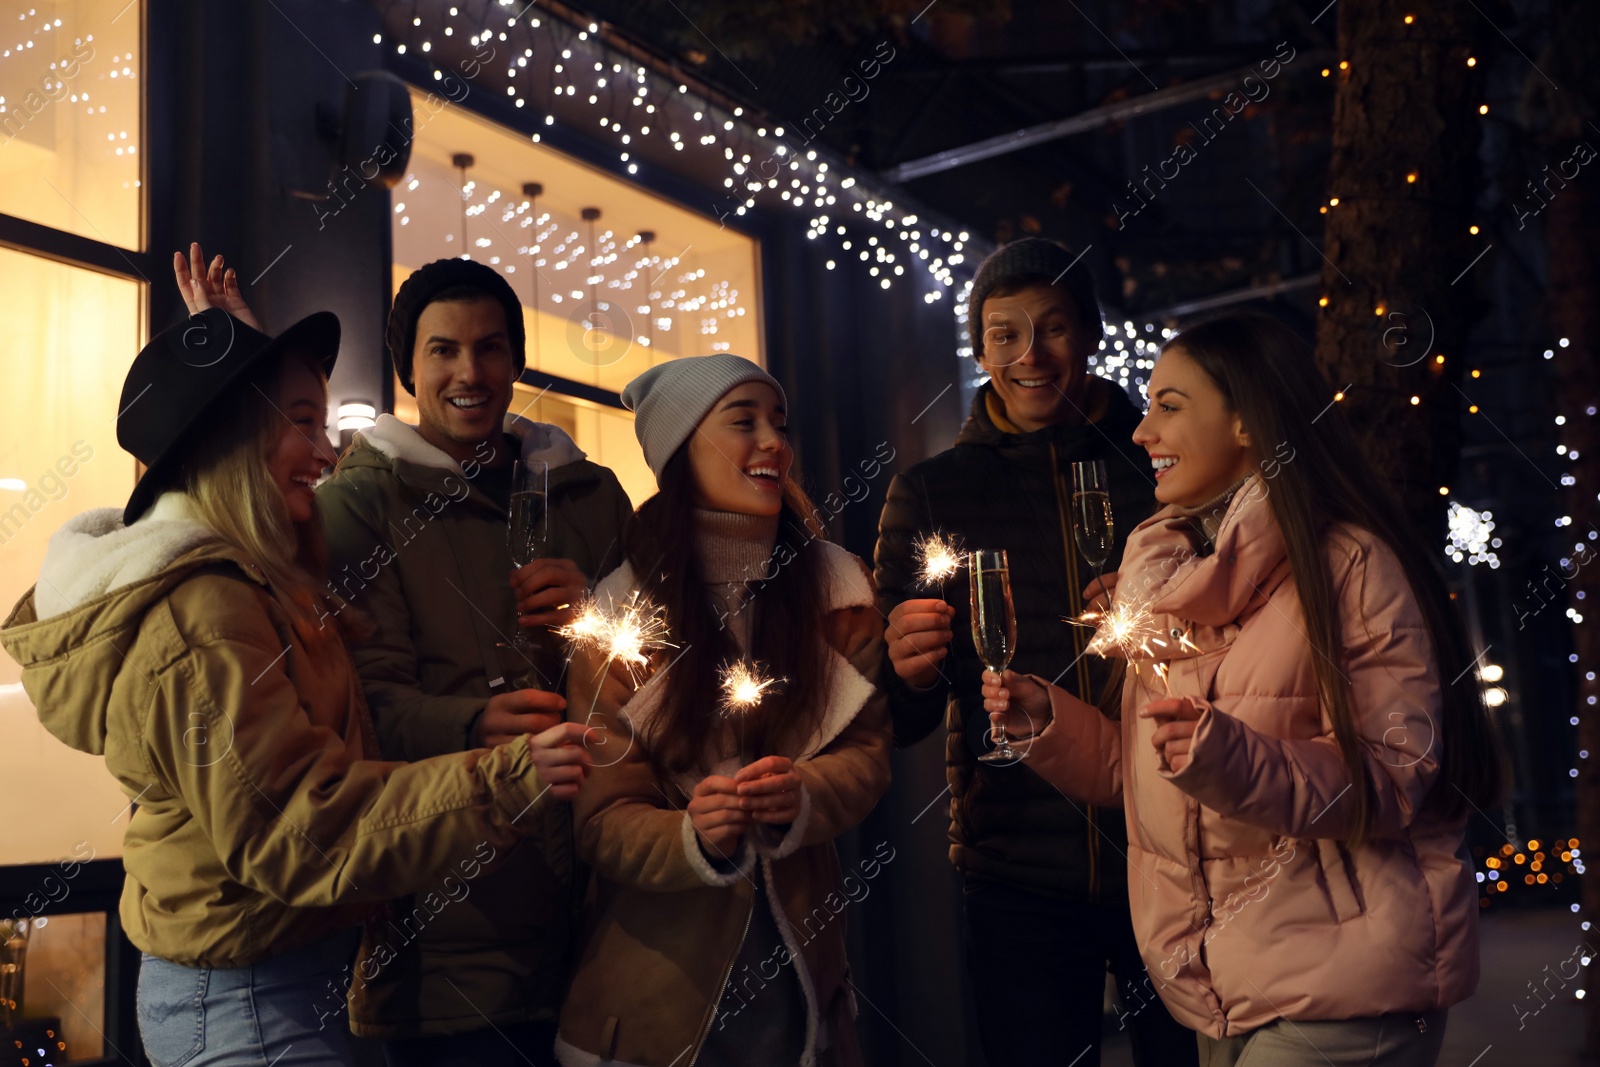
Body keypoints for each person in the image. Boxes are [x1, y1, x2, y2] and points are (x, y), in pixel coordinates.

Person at [0, 301, 592, 1067]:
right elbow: (298, 831)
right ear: (234, 435)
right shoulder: (204, 612)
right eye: (302, 422)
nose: (327, 447)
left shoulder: (249, 581)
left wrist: (246, 356)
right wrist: (509, 775)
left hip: (285, 979)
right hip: (251, 1004)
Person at [982, 312, 1504, 1067]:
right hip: (1224, 990)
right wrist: (1049, 723)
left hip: (1347, 986)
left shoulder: (1350, 564)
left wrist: (1227, 752)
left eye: (1169, 405)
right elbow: (1156, 767)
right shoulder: (1172, 575)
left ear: (1248, 422)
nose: (1140, 432)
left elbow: (1394, 777)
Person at [173, 246, 633, 1065]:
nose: (470, 370)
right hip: (451, 940)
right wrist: (471, 719)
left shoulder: (589, 495)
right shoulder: (357, 504)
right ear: (407, 371)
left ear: (516, 360)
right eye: (443, 350)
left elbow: (674, 666)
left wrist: (598, 612)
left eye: (491, 347)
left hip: (610, 926)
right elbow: (354, 703)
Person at [874, 237, 1193, 1064]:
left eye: (1052, 328)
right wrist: (901, 667)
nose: (1030, 354)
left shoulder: (1162, 465)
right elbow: (898, 711)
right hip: (1015, 864)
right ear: (980, 350)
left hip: (1174, 842)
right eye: (1004, 333)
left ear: (1087, 334)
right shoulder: (932, 489)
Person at [554, 355, 892, 1067]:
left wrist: (802, 795)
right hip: (657, 996)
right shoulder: (620, 617)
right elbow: (601, 817)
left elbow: (866, 755)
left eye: (779, 422)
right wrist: (690, 835)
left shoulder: (838, 590)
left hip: (806, 977)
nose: (774, 441)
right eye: (743, 422)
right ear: (681, 448)